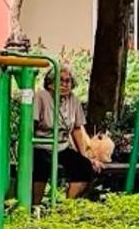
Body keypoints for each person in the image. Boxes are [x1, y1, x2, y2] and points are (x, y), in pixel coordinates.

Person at [33, 64, 113, 199]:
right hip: (41, 145)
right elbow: (31, 125)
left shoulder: (74, 100)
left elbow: (77, 129)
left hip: (61, 146)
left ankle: (68, 205)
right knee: (42, 166)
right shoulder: (41, 96)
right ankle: (35, 206)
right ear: (50, 83)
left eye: (68, 81)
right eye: (60, 80)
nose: (65, 84)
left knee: (83, 167)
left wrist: (85, 156)